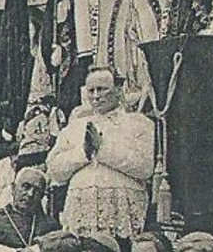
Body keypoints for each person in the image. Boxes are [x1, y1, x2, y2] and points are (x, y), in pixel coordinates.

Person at [45, 68, 154, 239]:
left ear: (118, 89)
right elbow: (54, 170)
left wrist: (101, 149)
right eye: (91, 90)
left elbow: (144, 167)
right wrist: (84, 153)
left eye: (102, 89)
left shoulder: (138, 124)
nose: (96, 96)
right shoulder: (75, 126)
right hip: (81, 213)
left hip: (121, 212)